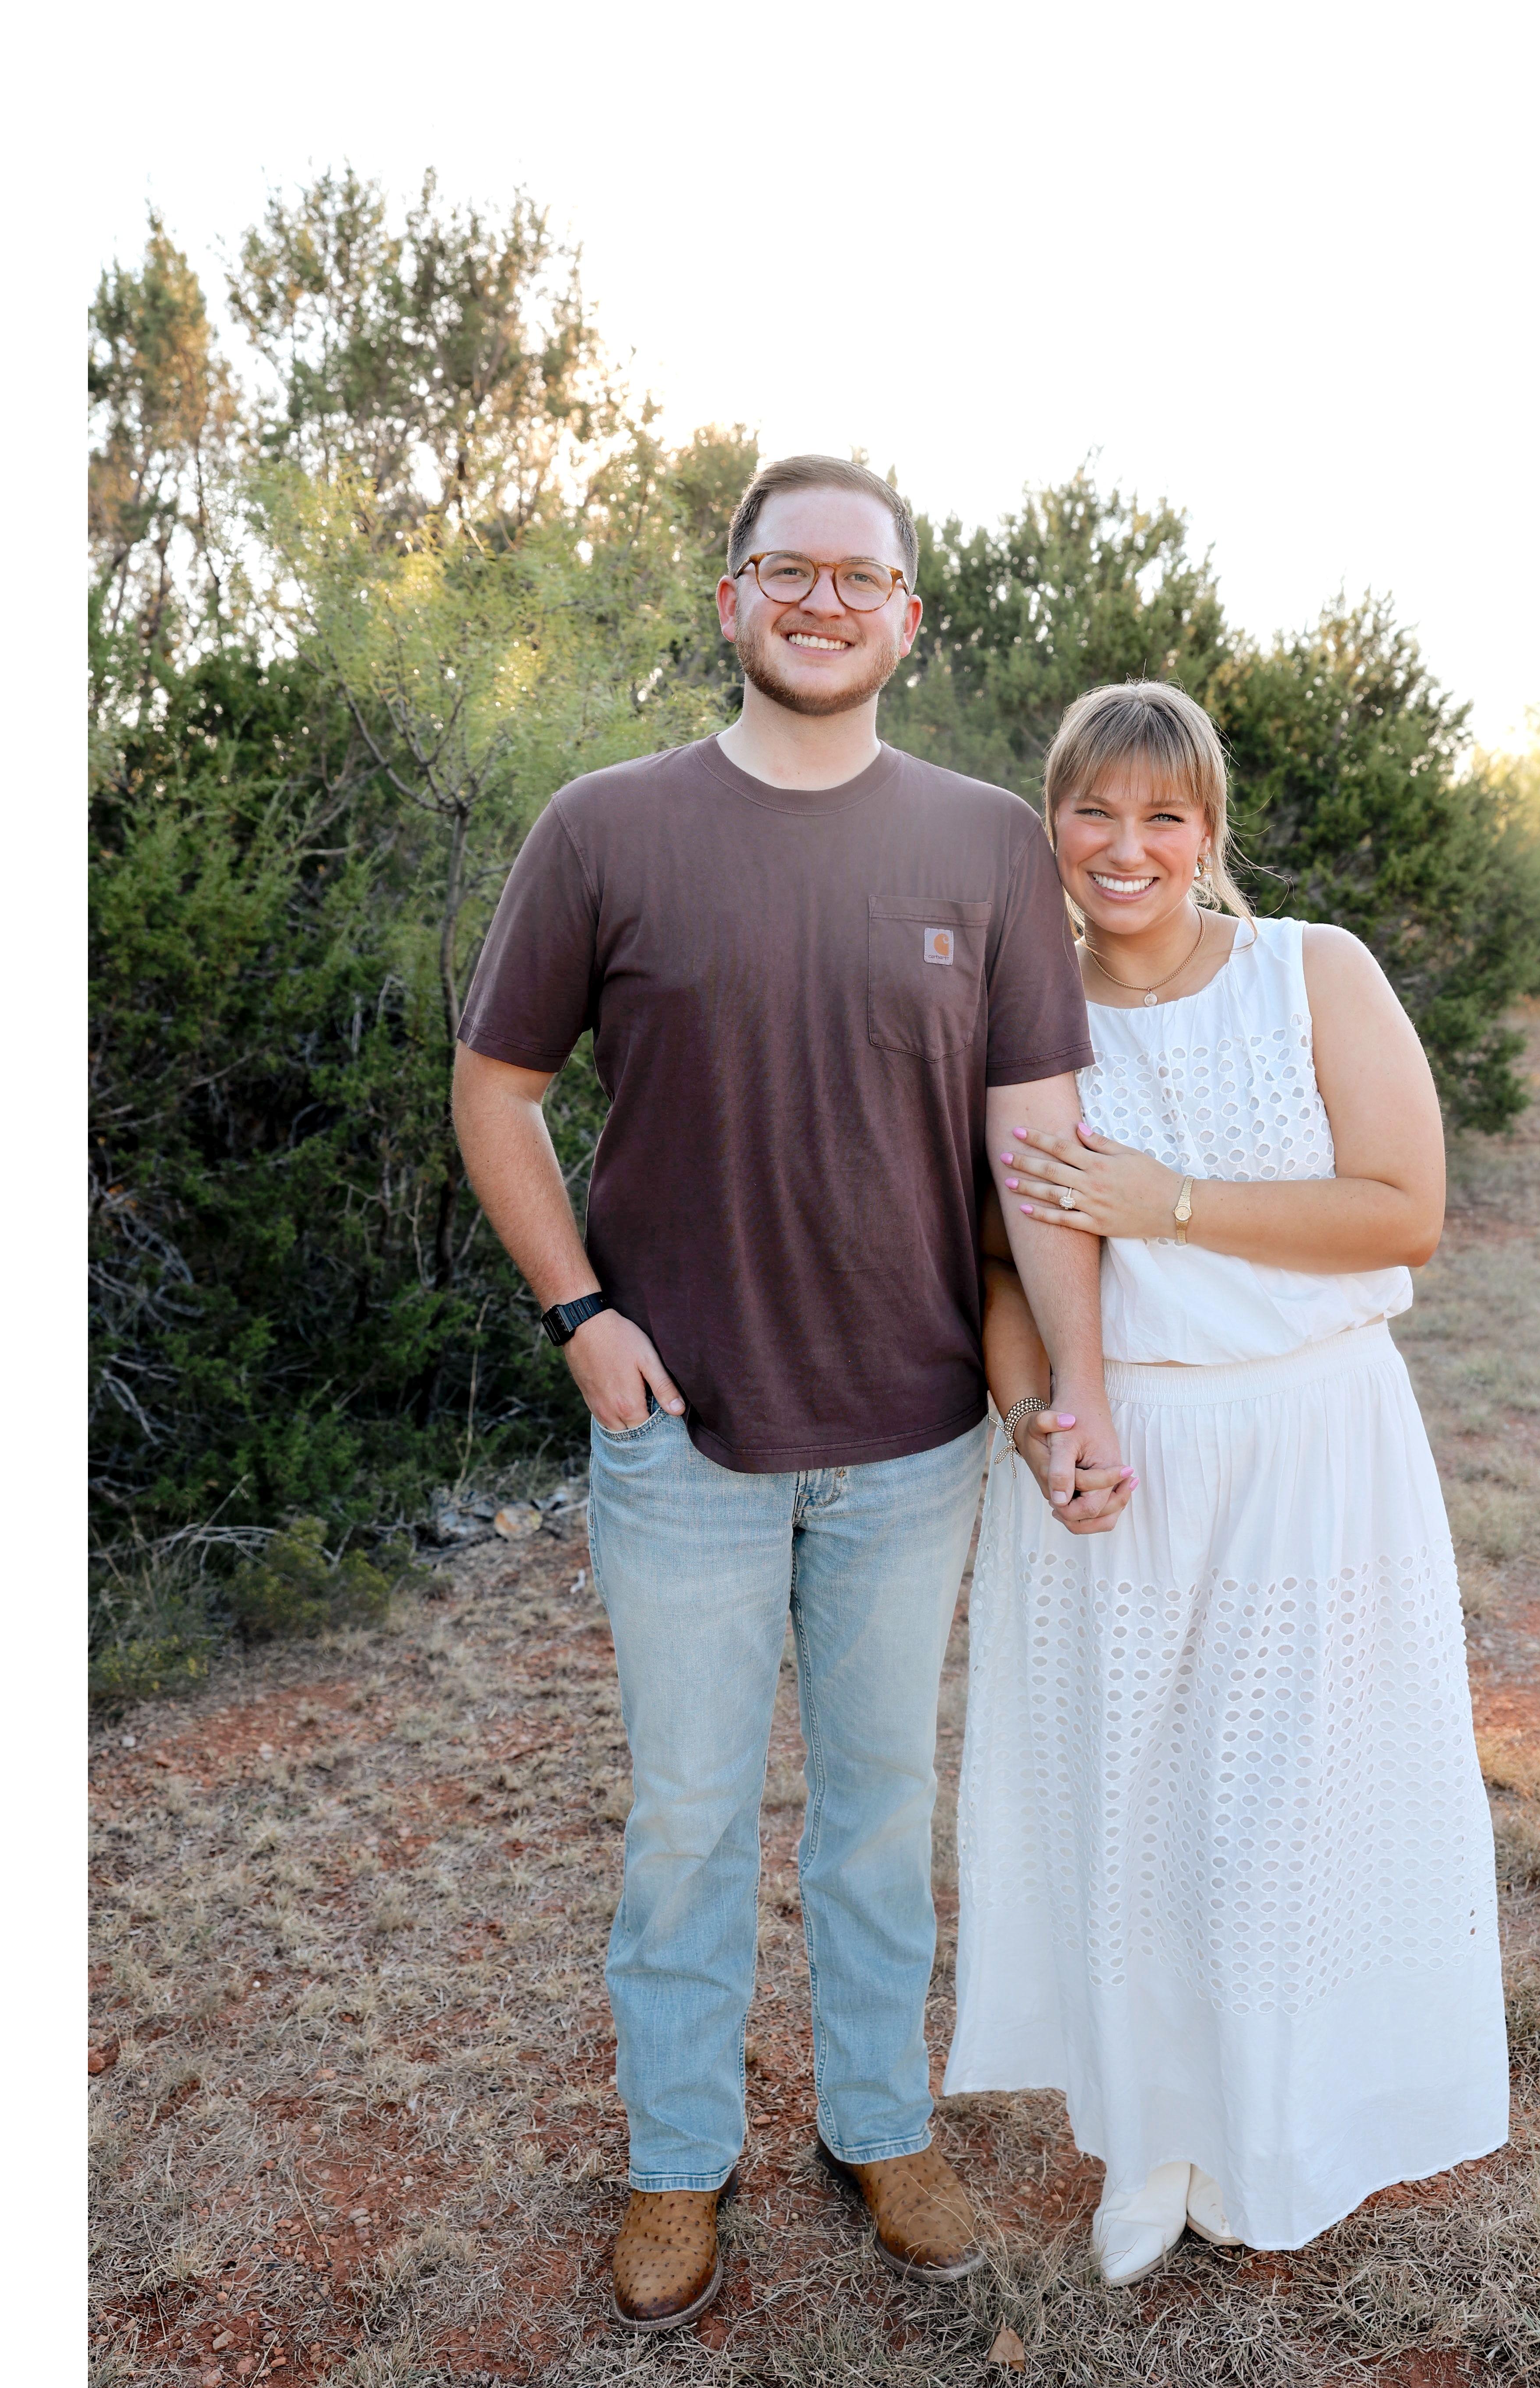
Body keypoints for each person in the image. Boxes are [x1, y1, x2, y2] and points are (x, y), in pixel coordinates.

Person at [448, 455, 1135, 2333]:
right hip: (680, 1439)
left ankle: (878, 2127)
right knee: (686, 1820)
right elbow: (496, 1089)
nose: (824, 601)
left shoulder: (987, 845)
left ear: (908, 618)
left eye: (861, 577)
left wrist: (1073, 1391)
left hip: (914, 1438)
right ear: (733, 598)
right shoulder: (606, 828)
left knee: (880, 1815)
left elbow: (1039, 1151)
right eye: (789, 570)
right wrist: (579, 1313)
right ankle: (679, 2159)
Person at [943, 680, 1509, 2280]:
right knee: (1128, 1808)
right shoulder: (1018, 1014)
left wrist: (1170, 1202)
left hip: (1313, 1448)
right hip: (1124, 1453)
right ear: (1051, 824)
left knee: (1279, 1812)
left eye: (1163, 816)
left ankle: (1280, 2122)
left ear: (1208, 831)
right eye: (1094, 812)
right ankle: (1150, 2141)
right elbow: (996, 1262)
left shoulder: (1312, 970)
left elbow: (1403, 1209)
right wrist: (1035, 1419)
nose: (1126, 847)